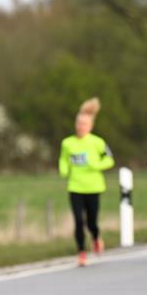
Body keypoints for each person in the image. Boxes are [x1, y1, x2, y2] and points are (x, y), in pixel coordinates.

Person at [58, 97, 114, 267]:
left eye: (84, 124)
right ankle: (81, 251)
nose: (81, 127)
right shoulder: (67, 143)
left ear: (90, 126)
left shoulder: (98, 142)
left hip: (93, 186)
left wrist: (97, 164)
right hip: (75, 186)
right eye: (79, 124)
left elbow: (110, 160)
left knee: (91, 221)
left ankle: (96, 237)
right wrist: (63, 169)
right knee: (78, 221)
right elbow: (63, 159)